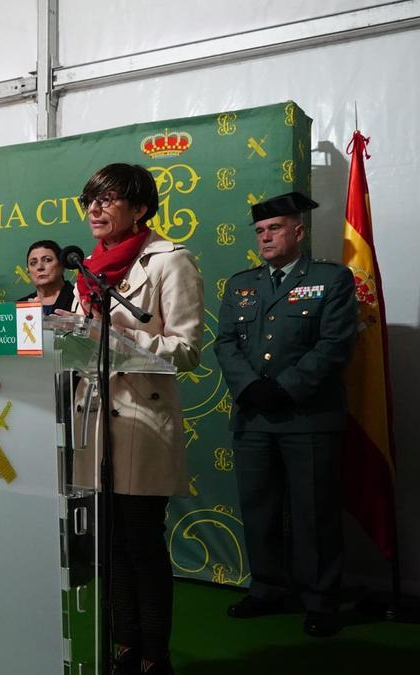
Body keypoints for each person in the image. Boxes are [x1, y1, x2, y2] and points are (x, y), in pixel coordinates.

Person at [75, 164, 203, 675]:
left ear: (141, 209)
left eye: (107, 200)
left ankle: (155, 656)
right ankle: (123, 646)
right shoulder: (88, 268)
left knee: (141, 544)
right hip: (93, 423)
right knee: (107, 546)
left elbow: (187, 351)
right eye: (90, 200)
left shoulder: (170, 260)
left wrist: (120, 336)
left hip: (142, 420)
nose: (95, 209)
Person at [215, 191, 356, 638]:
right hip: (254, 416)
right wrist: (252, 387)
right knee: (259, 508)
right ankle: (268, 589)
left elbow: (335, 344)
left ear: (299, 230)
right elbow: (224, 343)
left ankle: (320, 599)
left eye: (274, 228)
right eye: (260, 231)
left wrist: (285, 388)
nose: (266, 237)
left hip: (308, 416)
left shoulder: (332, 279)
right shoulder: (241, 284)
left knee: (315, 511)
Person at [18, 239, 80, 314]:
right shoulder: (19, 307)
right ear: (28, 271)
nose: (39, 267)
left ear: (62, 265)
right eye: (33, 263)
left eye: (47, 260)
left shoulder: (79, 299)